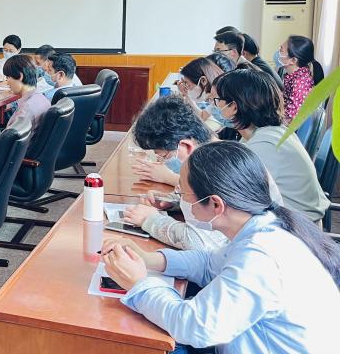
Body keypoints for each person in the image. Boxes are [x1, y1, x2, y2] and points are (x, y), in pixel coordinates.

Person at [102, 141, 340, 354]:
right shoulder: (266, 226)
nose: (180, 199)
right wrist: (151, 259)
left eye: (183, 194)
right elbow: (208, 263)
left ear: (216, 204)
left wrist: (139, 283)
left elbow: (195, 326)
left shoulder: (261, 258)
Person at [213, 69, 328, 222]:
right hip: (290, 220)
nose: (213, 106)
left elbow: (231, 193)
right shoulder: (269, 132)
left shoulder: (265, 145)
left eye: (216, 101)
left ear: (233, 106)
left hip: (295, 228)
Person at [122, 95, 225, 250]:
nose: (163, 162)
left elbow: (201, 241)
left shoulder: (218, 172)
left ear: (185, 146)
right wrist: (174, 202)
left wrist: (150, 220)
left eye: (164, 156)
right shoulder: (218, 154)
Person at [176, 56, 229, 131]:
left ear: (203, 81)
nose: (186, 88)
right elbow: (202, 116)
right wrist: (186, 95)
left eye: (187, 84)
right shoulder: (214, 99)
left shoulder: (226, 98)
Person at [280, 35, 324, 124]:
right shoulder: (293, 76)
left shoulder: (300, 83)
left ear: (293, 60)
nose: (278, 53)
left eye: (281, 50)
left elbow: (290, 120)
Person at [3, 55, 50, 131]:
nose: (7, 82)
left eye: (8, 77)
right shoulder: (42, 98)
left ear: (20, 76)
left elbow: (9, 136)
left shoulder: (25, 110)